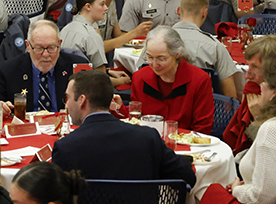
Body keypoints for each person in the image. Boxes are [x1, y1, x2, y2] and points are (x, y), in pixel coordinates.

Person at [55, 70, 195, 188]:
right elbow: (188, 177)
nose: (66, 105)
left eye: (68, 97)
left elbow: (56, 202)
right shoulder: (148, 137)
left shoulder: (66, 147)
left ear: (82, 100)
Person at [138, 0, 238, 98]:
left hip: (157, 105)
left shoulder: (155, 40)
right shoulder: (214, 46)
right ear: (204, 13)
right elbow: (230, 95)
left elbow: (140, 74)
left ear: (178, 10)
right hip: (199, 106)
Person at [220, 64, 276, 204]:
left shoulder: (271, 129)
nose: (258, 85)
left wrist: (237, 190)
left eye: (264, 81)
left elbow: (263, 197)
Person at [130, 25, 214, 133]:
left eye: (161, 59)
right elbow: (134, 120)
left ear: (177, 54)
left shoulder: (199, 80)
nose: (154, 64)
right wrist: (118, 108)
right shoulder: (140, 77)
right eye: (150, 57)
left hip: (187, 145)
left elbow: (203, 127)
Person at [0, 20, 74, 116]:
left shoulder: (76, 67)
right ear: (28, 46)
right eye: (39, 48)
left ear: (59, 45)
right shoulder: (7, 70)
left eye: (51, 48)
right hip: (25, 128)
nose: (46, 54)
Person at [59, 0, 129, 86]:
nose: (106, 8)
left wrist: (108, 71)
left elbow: (75, 67)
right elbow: (101, 80)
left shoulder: (65, 29)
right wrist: (123, 81)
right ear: (88, 6)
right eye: (102, 4)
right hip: (86, 88)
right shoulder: (91, 35)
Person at [223, 36, 276, 154]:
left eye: (255, 67)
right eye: (248, 66)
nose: (246, 76)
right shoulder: (253, 89)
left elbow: (269, 149)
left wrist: (259, 118)